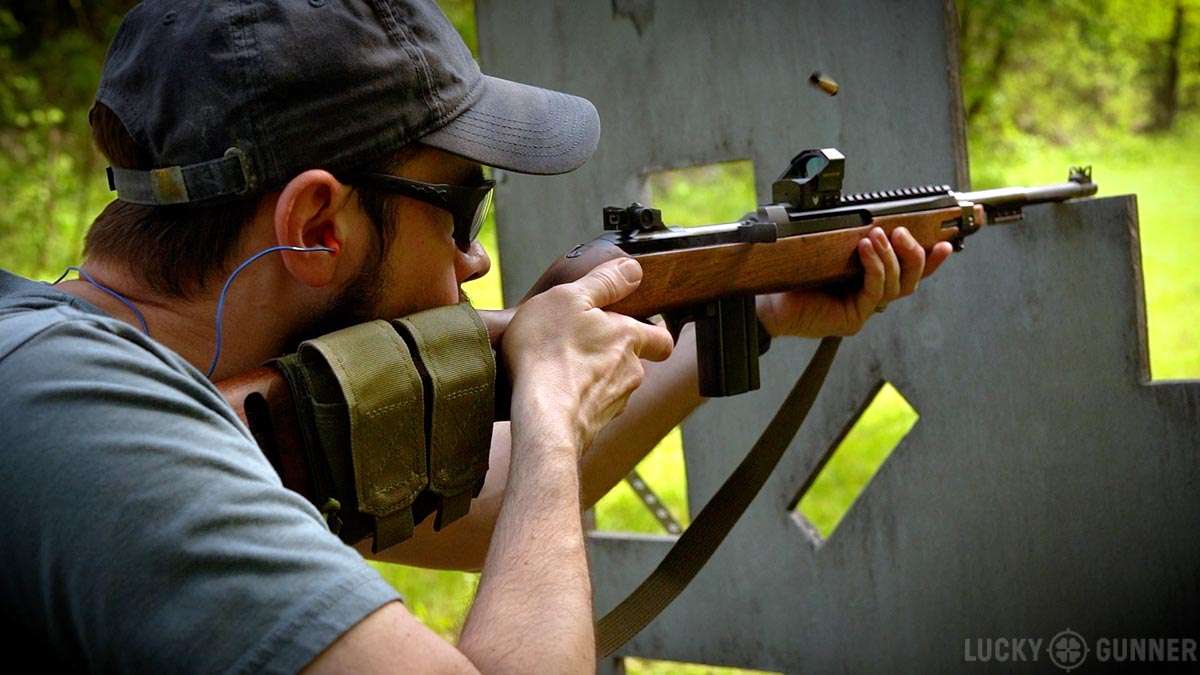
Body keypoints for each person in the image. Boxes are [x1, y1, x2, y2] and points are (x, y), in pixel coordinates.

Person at [0, 0, 951, 672]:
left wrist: (753, 309)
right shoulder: (97, 432)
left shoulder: (83, 381)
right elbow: (531, 483)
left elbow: (490, 507)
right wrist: (549, 416)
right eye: (461, 209)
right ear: (318, 227)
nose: (475, 260)